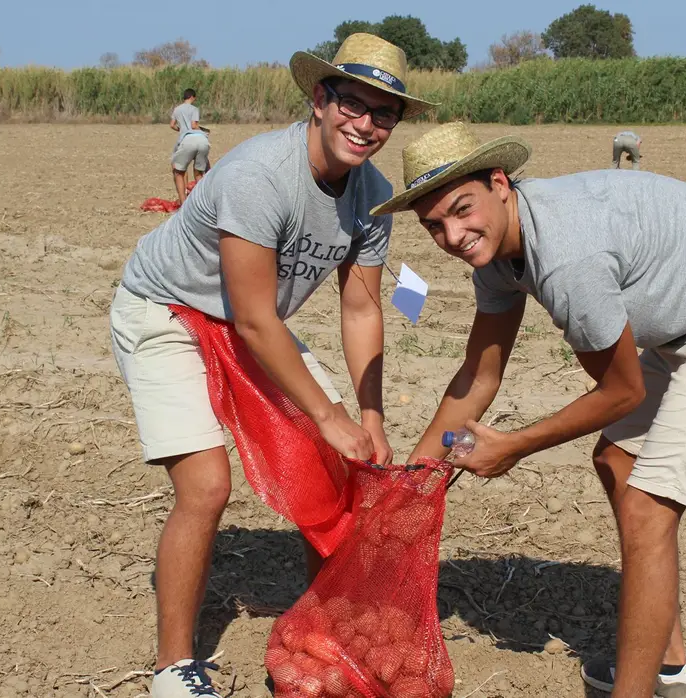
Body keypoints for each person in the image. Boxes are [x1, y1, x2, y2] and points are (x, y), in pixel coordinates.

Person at [375, 122, 686, 698]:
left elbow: (621, 392)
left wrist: (514, 446)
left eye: (462, 209)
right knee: (617, 464)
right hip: (683, 322)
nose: (454, 236)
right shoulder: (499, 256)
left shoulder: (565, 260)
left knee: (649, 509)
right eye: (435, 226)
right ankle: (670, 666)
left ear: (499, 183)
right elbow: (480, 374)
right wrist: (412, 488)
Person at [110, 34, 435, 698]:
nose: (366, 125)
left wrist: (367, 415)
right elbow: (257, 319)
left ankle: (330, 627)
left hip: (248, 321)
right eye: (353, 104)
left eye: (384, 114)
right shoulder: (260, 175)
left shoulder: (372, 195)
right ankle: (174, 667)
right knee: (205, 486)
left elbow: (363, 307)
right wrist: (328, 412)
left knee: (345, 464)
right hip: (169, 309)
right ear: (320, 99)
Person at [170, 88, 211, 204]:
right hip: (202, 140)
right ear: (193, 97)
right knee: (199, 173)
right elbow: (194, 125)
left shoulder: (177, 109)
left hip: (186, 140)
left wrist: (181, 130)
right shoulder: (194, 109)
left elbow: (172, 125)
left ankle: (183, 203)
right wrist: (203, 130)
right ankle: (204, 202)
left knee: (179, 171)